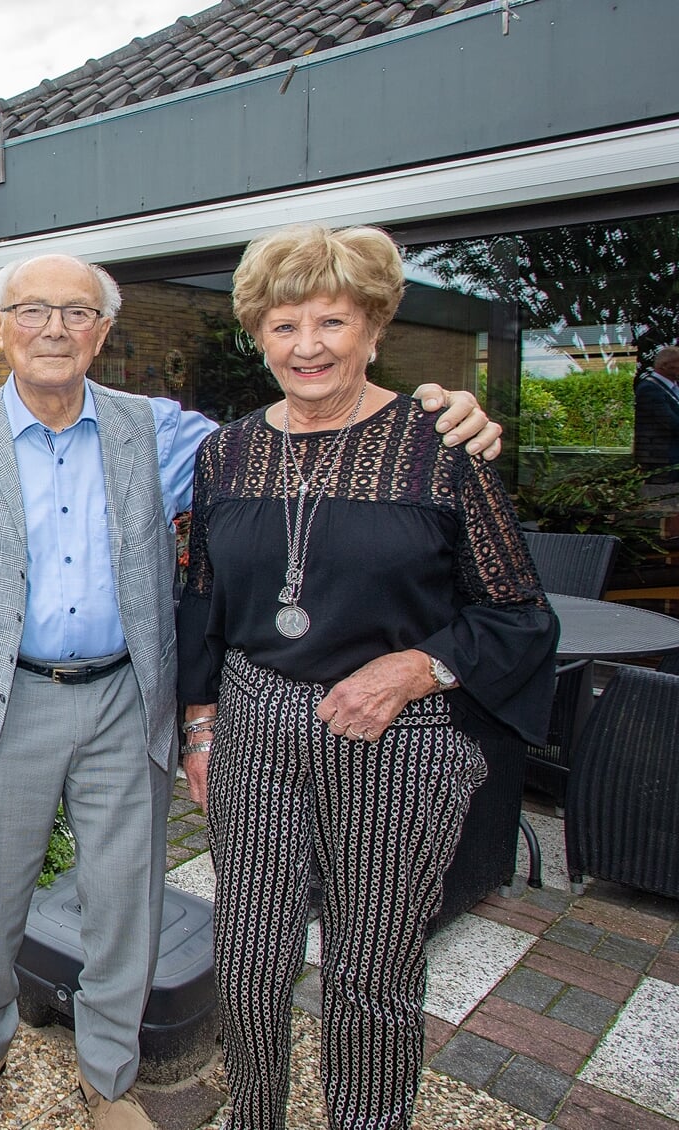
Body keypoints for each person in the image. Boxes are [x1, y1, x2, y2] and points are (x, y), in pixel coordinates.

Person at [0, 252, 504, 1130]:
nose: (53, 329)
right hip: (2, 702)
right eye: (31, 311)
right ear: (0, 327)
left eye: (76, 312)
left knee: (125, 898)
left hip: (127, 702)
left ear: (103, 331)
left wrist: (443, 412)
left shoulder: (165, 433)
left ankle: (108, 1073)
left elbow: (305, 427)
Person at [176, 224, 557, 1130]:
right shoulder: (225, 454)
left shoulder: (441, 448)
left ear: (375, 329)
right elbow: (204, 600)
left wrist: (419, 666)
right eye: (283, 325)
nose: (307, 345)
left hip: (393, 730)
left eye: (332, 321)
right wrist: (199, 722)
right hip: (256, 722)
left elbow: (519, 614)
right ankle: (255, 1113)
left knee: (372, 961)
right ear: (258, 337)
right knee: (250, 949)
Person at [634, 345, 679, 484]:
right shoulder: (649, 389)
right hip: (664, 462)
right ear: (665, 365)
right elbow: (670, 423)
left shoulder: (673, 387)